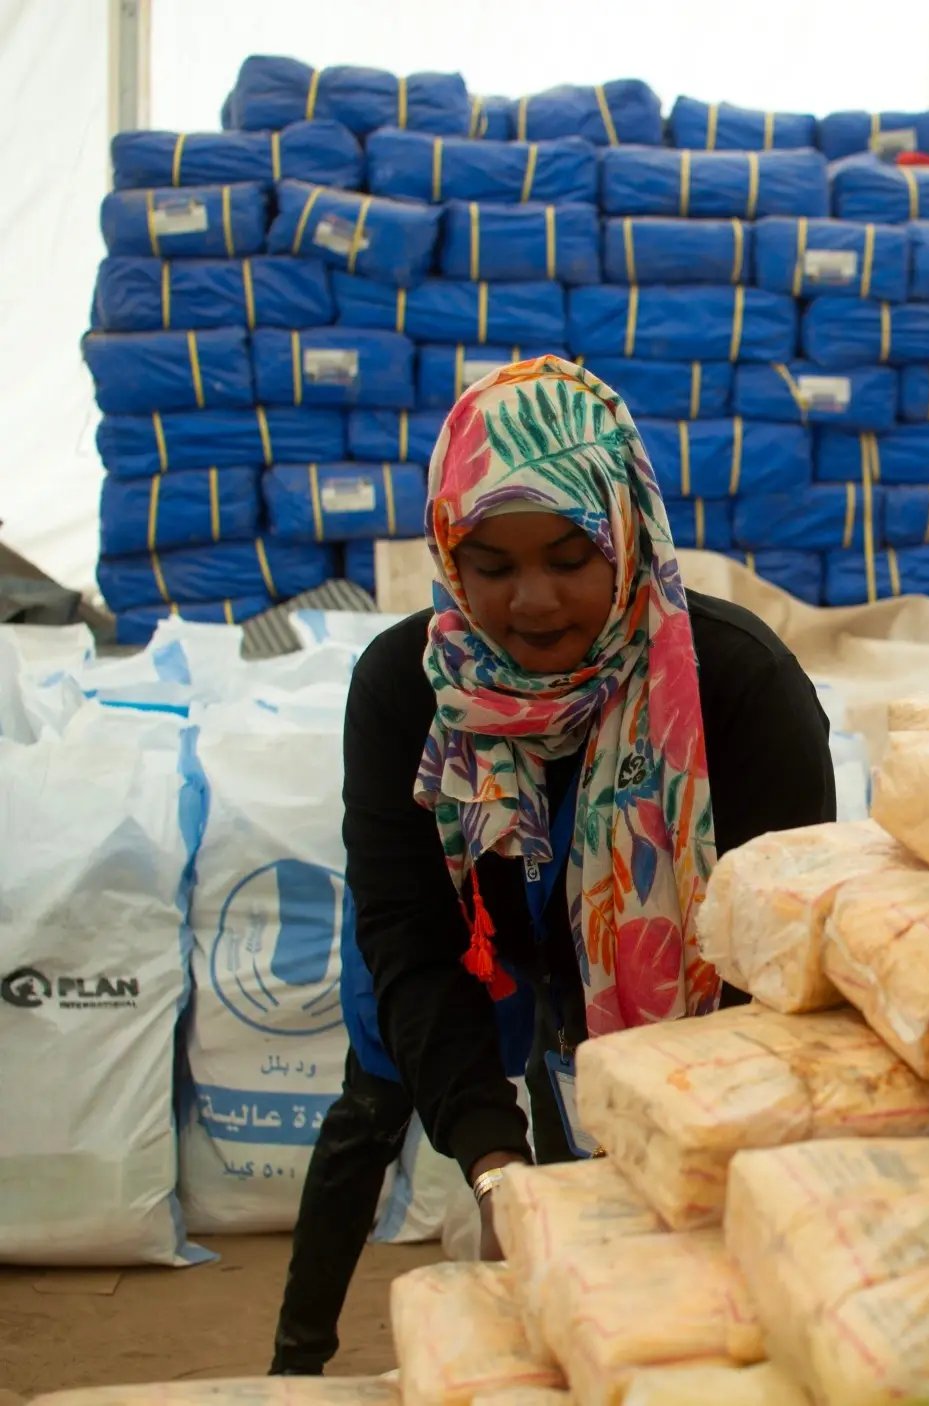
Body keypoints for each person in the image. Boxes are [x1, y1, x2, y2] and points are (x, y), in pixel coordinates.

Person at [333, 358, 832, 1276]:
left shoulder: (735, 687)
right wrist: (496, 1169)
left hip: (728, 1093)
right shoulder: (413, 694)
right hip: (549, 1038)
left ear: (627, 535)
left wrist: (683, 1150)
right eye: (492, 566)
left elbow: (777, 963)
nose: (533, 600)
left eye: (570, 559)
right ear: (448, 556)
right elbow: (411, 941)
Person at [268, 921, 534, 1377]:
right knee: (372, 1116)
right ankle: (297, 1358)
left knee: (559, 1092)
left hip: (515, 938)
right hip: (405, 941)